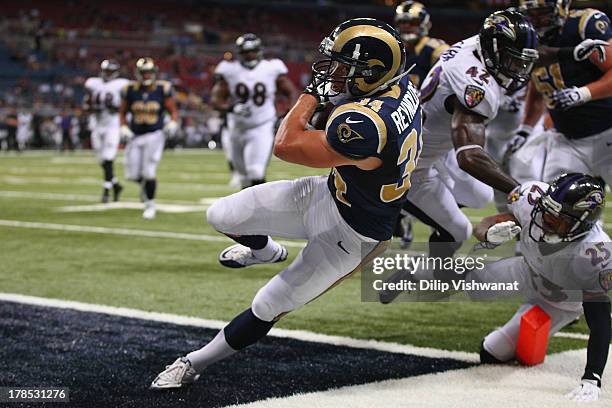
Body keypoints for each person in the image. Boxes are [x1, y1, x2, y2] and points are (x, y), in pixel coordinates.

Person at [150, 18, 423, 389]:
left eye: (346, 66)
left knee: (268, 304)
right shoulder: (403, 86)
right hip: (330, 193)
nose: (337, 72)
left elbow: (286, 144)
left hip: (353, 236)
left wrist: (312, 93)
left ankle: (194, 362)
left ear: (372, 73)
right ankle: (265, 251)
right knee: (222, 215)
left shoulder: (364, 124)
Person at [470, 173, 610, 402]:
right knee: (468, 283)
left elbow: (600, 321)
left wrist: (592, 376)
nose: (547, 220)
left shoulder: (595, 252)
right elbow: (485, 224)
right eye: (547, 210)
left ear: (581, 223)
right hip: (526, 271)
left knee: (492, 352)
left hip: (559, 301)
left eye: (558, 218)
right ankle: (416, 274)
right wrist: (487, 232)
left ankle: (532, 324)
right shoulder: (531, 198)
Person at [510, 0, 612, 185]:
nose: (536, 19)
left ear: (561, 8)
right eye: (531, 13)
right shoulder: (528, 36)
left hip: (607, 131)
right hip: (566, 139)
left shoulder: (582, 25)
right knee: (559, 206)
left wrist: (582, 94)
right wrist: (525, 129)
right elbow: (540, 84)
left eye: (542, 12)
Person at [211, 33, 298, 189]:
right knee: (243, 178)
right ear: (239, 53)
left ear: (259, 51)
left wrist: (287, 114)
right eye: (246, 52)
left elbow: (291, 92)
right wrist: (231, 108)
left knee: (256, 172)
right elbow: (216, 99)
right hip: (236, 128)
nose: (250, 55)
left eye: (253, 51)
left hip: (261, 126)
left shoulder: (271, 68)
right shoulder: (229, 70)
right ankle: (249, 211)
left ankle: (261, 210)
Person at [119, 57, 179, 219]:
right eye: (143, 73)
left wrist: (173, 122)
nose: (146, 76)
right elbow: (123, 112)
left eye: (149, 73)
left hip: (155, 134)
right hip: (135, 135)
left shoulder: (162, 88)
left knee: (149, 171)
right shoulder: (129, 89)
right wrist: (123, 126)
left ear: (154, 73)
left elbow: (172, 110)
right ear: (138, 73)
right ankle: (145, 187)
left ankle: (150, 204)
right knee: (131, 174)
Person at [84, 59, 130, 203]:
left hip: (112, 125)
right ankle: (116, 185)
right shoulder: (93, 83)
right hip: (97, 124)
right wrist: (90, 107)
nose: (107, 74)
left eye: (110, 71)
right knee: (101, 160)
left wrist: (115, 107)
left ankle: (106, 191)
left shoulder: (121, 84)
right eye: (106, 71)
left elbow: (125, 106)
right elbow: (88, 104)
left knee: (109, 158)